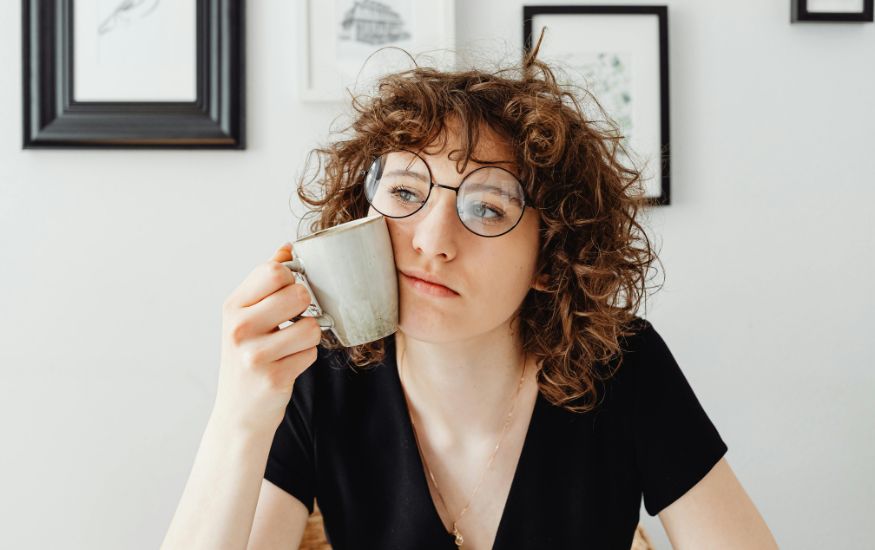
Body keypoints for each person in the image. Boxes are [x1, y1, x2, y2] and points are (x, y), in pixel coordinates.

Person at [161, 30, 778, 550]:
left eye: (487, 208)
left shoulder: (620, 364)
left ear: (550, 255)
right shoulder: (320, 374)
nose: (432, 240)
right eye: (404, 193)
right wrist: (239, 418)